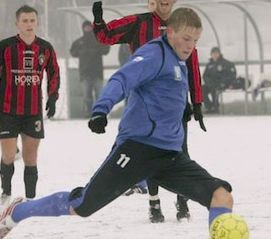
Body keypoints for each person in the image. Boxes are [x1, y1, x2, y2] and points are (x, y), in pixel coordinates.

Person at [0, 8, 238, 239]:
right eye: (186, 38)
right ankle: (17, 212)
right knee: (81, 206)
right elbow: (121, 79)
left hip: (171, 156)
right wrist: (101, 109)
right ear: (170, 32)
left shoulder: (180, 59)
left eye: (195, 40)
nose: (190, 45)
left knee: (221, 196)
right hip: (137, 150)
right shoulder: (154, 54)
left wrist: (191, 105)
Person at [92, 0, 206, 222]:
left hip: (175, 103)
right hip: (145, 103)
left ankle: (183, 199)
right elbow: (105, 36)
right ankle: (154, 203)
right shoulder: (138, 22)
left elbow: (192, 63)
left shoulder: (184, 26)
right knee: (151, 153)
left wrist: (197, 101)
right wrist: (98, 21)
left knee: (179, 151)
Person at [0, 5, 60, 204]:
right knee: (8, 154)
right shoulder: (5, 47)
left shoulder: (45, 48)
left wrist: (52, 97)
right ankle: (6, 192)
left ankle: (30, 199)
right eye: (24, 21)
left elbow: (54, 72)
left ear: (37, 22)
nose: (28, 24)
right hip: (7, 110)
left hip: (33, 111)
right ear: (17, 23)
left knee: (30, 156)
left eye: (32, 20)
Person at [70, 20, 110, 117]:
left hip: (97, 72)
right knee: (86, 96)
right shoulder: (79, 42)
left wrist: (98, 49)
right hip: (85, 73)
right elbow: (73, 52)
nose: (87, 29)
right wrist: (80, 51)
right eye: (86, 27)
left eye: (89, 27)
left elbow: (106, 49)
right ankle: (89, 112)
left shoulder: (99, 40)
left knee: (99, 95)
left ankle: (99, 112)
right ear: (83, 28)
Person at [202, 47, 236, 114]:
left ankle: (215, 108)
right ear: (211, 54)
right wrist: (209, 83)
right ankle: (209, 107)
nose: (215, 55)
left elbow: (231, 75)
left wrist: (223, 82)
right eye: (213, 53)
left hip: (222, 84)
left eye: (216, 53)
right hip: (211, 84)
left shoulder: (226, 63)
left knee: (215, 89)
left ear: (219, 54)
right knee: (201, 89)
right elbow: (205, 76)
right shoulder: (209, 65)